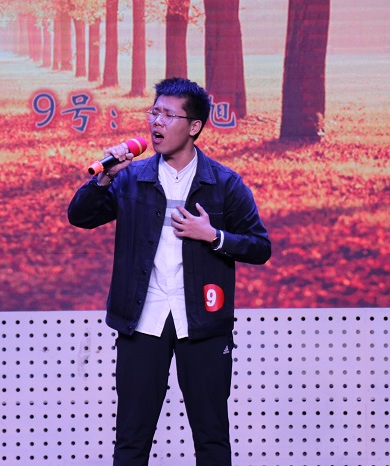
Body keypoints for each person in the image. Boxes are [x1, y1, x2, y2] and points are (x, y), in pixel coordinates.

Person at [67, 77, 271, 466]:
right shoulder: (131, 177)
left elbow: (260, 246)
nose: (156, 122)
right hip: (142, 321)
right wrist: (104, 177)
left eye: (168, 115)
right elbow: (80, 216)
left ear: (194, 126)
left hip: (203, 323)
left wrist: (213, 236)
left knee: (212, 440)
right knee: (131, 440)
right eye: (154, 112)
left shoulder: (224, 183)